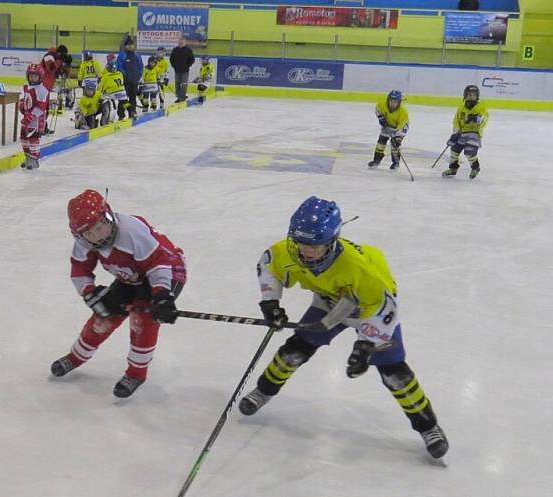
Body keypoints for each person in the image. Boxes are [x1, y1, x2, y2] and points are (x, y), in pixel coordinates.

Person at [239, 196, 449, 459]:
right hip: (330, 302)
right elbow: (268, 264)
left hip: (371, 309)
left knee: (395, 374)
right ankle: (263, 391)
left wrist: (365, 345)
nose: (305, 252)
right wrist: (270, 303)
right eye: (300, 243)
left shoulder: (360, 269)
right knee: (294, 351)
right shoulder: (285, 251)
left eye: (314, 246)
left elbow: (384, 307)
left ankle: (428, 427)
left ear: (332, 240)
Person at [50, 189, 187, 398]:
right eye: (89, 233)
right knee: (103, 315)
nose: (98, 236)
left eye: (100, 226)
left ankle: (136, 373)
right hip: (131, 276)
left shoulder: (132, 230)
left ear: (108, 215)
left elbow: (158, 264)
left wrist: (162, 296)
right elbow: (79, 270)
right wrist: (90, 293)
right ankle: (76, 357)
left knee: (143, 319)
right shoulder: (84, 243)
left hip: (169, 269)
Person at [443, 85, 488, 179]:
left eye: (474, 95)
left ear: (477, 96)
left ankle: (475, 168)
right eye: (469, 94)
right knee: (454, 150)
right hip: (461, 133)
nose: (471, 96)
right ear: (465, 96)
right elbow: (456, 120)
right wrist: (455, 133)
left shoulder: (480, 107)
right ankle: (453, 169)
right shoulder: (461, 108)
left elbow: (484, 119)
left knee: (469, 152)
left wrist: (477, 119)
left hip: (474, 134)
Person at [368, 90, 409, 171]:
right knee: (380, 143)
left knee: (395, 146)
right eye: (391, 101)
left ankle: (395, 163)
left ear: (399, 102)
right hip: (386, 128)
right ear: (388, 100)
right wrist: (380, 117)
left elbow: (404, 126)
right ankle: (376, 160)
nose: (392, 103)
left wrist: (399, 138)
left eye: (395, 101)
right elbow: (377, 109)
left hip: (397, 130)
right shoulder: (382, 104)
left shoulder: (403, 112)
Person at [19, 64, 50, 170]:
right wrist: (22, 106)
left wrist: (31, 116)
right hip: (27, 119)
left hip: (36, 121)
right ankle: (28, 158)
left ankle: (34, 160)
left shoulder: (42, 90)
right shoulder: (28, 88)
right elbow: (27, 102)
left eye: (35, 76)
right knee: (23, 138)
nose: (32, 78)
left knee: (33, 139)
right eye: (31, 76)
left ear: (40, 77)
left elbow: (41, 107)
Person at [117, 35, 143, 118]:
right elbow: (119, 67)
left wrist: (138, 77)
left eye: (132, 44)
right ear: (125, 46)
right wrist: (125, 75)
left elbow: (141, 67)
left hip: (134, 81)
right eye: (128, 45)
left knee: (133, 98)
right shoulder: (122, 55)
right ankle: (121, 114)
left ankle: (132, 112)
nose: (130, 46)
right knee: (123, 99)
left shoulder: (137, 55)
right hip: (125, 81)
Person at [98, 55, 130, 121]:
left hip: (112, 93)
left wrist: (99, 95)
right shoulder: (120, 73)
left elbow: (100, 88)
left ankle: (109, 119)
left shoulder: (106, 76)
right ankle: (130, 112)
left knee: (108, 103)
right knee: (125, 102)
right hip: (122, 91)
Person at [169, 36, 194, 103]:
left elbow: (192, 60)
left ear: (185, 41)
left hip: (185, 71)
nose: (181, 41)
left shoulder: (188, 50)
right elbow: (171, 59)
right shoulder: (175, 49)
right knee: (177, 84)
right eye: (180, 40)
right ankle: (178, 97)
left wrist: (187, 66)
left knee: (184, 84)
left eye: (182, 40)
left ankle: (182, 97)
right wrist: (174, 66)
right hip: (177, 70)